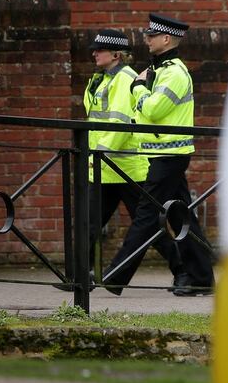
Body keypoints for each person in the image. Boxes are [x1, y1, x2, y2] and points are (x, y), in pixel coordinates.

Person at [58, 29, 182, 292]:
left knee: (150, 227)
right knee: (88, 224)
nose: (94, 53)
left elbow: (119, 123)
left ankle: (183, 270)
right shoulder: (100, 79)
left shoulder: (125, 79)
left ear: (115, 54)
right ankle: (80, 278)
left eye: (99, 50)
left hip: (126, 169)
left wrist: (96, 154)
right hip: (104, 167)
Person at [103, 13, 215, 297]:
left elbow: (153, 110)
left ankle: (116, 275)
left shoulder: (174, 73)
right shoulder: (160, 70)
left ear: (166, 39)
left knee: (147, 214)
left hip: (169, 155)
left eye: (151, 36)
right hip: (162, 153)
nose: (147, 39)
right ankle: (201, 278)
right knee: (181, 216)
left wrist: (138, 88)